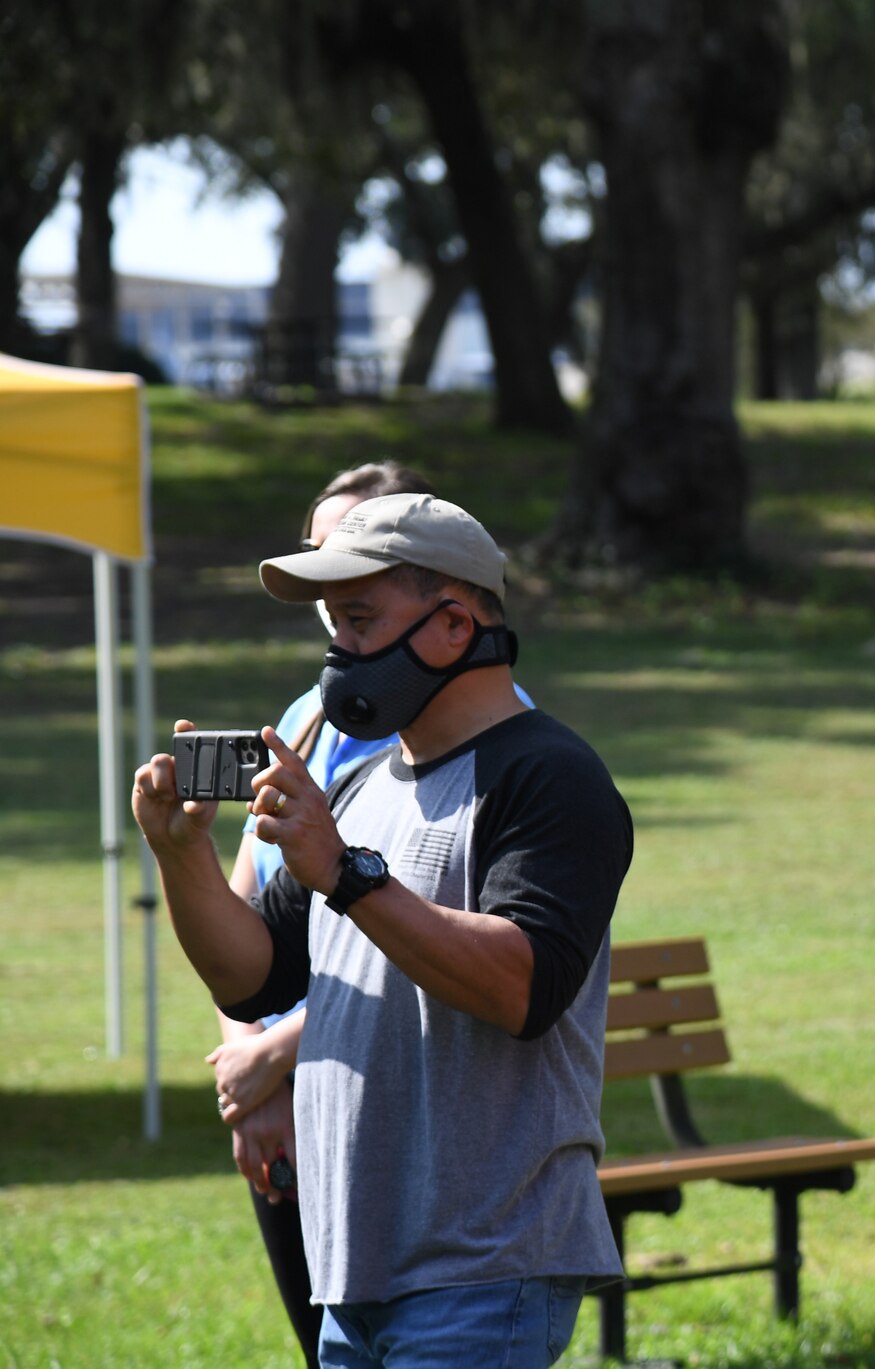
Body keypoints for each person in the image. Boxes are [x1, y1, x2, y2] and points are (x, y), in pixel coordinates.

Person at [135, 493, 631, 1368]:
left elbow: (522, 986)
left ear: (450, 627)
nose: (338, 652)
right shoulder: (361, 786)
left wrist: (345, 872)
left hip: (485, 1267)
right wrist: (184, 858)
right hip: (354, 1276)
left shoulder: (551, 775)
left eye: (358, 620)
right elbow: (249, 974)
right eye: (333, 623)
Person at [208, 462, 437, 1368]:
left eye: (348, 555)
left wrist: (271, 1055)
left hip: (382, 1094)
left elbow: (416, 937)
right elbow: (242, 910)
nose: (324, 581)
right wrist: (247, 1067)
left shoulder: (460, 725)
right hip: (279, 1101)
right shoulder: (307, 714)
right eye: (314, 555)